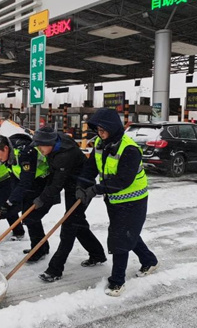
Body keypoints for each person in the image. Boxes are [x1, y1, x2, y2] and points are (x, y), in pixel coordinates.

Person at [76, 108, 158, 296]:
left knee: (119, 237)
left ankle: (117, 282)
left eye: (103, 129)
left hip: (134, 200)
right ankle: (149, 260)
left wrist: (96, 189)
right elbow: (90, 168)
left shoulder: (129, 149)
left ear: (112, 128)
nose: (100, 133)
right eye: (97, 130)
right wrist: (82, 185)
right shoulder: (100, 144)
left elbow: (122, 181)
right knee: (128, 233)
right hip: (113, 200)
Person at [31, 126, 107, 282]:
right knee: (77, 223)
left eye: (40, 146)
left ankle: (55, 270)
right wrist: (42, 196)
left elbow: (56, 184)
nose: (39, 149)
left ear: (50, 143)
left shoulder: (64, 155)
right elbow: (54, 179)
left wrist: (42, 199)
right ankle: (97, 254)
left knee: (68, 227)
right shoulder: (55, 145)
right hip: (71, 185)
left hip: (83, 189)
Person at [0, 134, 52, 263]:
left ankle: (38, 250)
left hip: (43, 182)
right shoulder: (10, 156)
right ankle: (41, 247)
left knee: (30, 217)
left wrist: (10, 201)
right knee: (31, 216)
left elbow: (25, 182)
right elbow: (15, 180)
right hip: (32, 183)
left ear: (5, 148)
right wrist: (11, 201)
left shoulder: (24, 154)